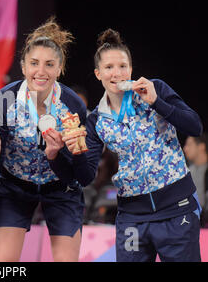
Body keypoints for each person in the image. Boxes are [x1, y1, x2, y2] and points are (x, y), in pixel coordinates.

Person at [85, 28, 203, 262]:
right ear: (98, 73)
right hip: (132, 218)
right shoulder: (96, 120)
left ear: (131, 68)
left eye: (123, 66)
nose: (117, 73)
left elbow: (194, 127)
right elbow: (86, 175)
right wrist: (61, 152)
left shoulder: (154, 89)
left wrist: (157, 103)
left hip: (177, 210)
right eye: (109, 68)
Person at [0, 18, 95, 262]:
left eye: (49, 65)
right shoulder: (1, 99)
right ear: (23, 66)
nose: (41, 71)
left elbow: (80, 175)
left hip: (60, 188)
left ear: (60, 68)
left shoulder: (73, 105)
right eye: (34, 63)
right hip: (13, 187)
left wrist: (57, 156)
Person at [183, 133, 208, 226]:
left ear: (201, 147)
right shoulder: (186, 172)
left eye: (189, 144)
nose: (185, 149)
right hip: (191, 222)